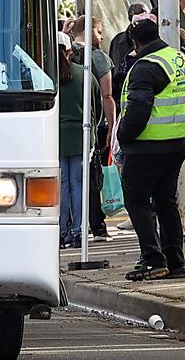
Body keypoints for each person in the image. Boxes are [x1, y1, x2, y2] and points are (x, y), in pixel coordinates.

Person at [116, 13, 185, 281]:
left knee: (136, 200)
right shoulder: (177, 57)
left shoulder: (146, 66)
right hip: (177, 141)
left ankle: (153, 258)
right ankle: (175, 261)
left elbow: (137, 111)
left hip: (148, 144)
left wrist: (123, 137)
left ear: (133, 40)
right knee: (165, 200)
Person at [69, 15, 118, 242]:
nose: (101, 36)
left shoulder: (62, 53)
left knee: (66, 178)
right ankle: (97, 225)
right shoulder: (98, 58)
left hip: (64, 125)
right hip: (93, 124)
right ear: (89, 31)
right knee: (91, 178)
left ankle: (72, 225)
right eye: (99, 32)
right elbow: (107, 95)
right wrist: (111, 126)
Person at [57, 32, 99, 248]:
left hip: (56, 138)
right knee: (78, 184)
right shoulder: (85, 75)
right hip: (82, 137)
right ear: (70, 50)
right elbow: (97, 108)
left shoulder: (47, 77)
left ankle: (62, 230)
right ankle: (79, 230)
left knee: (61, 185)